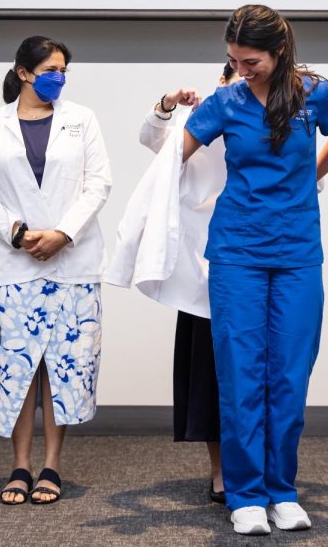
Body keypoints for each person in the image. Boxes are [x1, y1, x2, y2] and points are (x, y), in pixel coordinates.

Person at [182, 5, 328, 535]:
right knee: (240, 375)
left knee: (289, 375)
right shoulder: (225, 101)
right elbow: (172, 158)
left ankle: (282, 490)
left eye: (250, 60)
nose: (240, 69)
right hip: (236, 253)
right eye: (232, 59)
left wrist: (311, 180)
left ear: (279, 53)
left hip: (299, 253)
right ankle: (246, 495)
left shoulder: (315, 94)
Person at [0, 36, 112, 505]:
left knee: (63, 367)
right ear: (23, 72)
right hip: (14, 260)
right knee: (18, 367)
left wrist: (62, 233)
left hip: (72, 260)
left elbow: (99, 183)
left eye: (64, 70)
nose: (59, 77)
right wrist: (17, 231)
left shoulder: (82, 120)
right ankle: (19, 466)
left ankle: (51, 465)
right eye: (50, 69)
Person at [136, 62, 237, 505]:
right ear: (222, 82)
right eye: (238, 77)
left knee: (257, 377)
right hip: (204, 268)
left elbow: (310, 181)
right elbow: (155, 142)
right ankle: (220, 472)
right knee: (210, 377)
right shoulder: (202, 120)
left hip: (256, 264)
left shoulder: (275, 122)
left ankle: (261, 468)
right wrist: (167, 107)